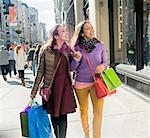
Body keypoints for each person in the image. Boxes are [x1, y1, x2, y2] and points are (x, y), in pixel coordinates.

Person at [30, 25, 77, 138]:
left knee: (63, 116)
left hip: (65, 87)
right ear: (56, 36)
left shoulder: (68, 50)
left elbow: (72, 68)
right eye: (63, 31)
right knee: (54, 116)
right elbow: (40, 72)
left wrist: (76, 59)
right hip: (51, 87)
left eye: (65, 30)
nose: (66, 32)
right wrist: (34, 90)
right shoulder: (46, 50)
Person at [70, 21, 107, 138]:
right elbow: (72, 68)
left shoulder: (100, 45)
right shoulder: (76, 48)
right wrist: (76, 59)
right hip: (81, 84)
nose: (92, 30)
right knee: (84, 111)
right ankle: (87, 135)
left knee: (98, 113)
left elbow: (105, 63)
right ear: (82, 33)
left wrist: (102, 66)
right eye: (88, 29)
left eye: (92, 28)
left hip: (97, 83)